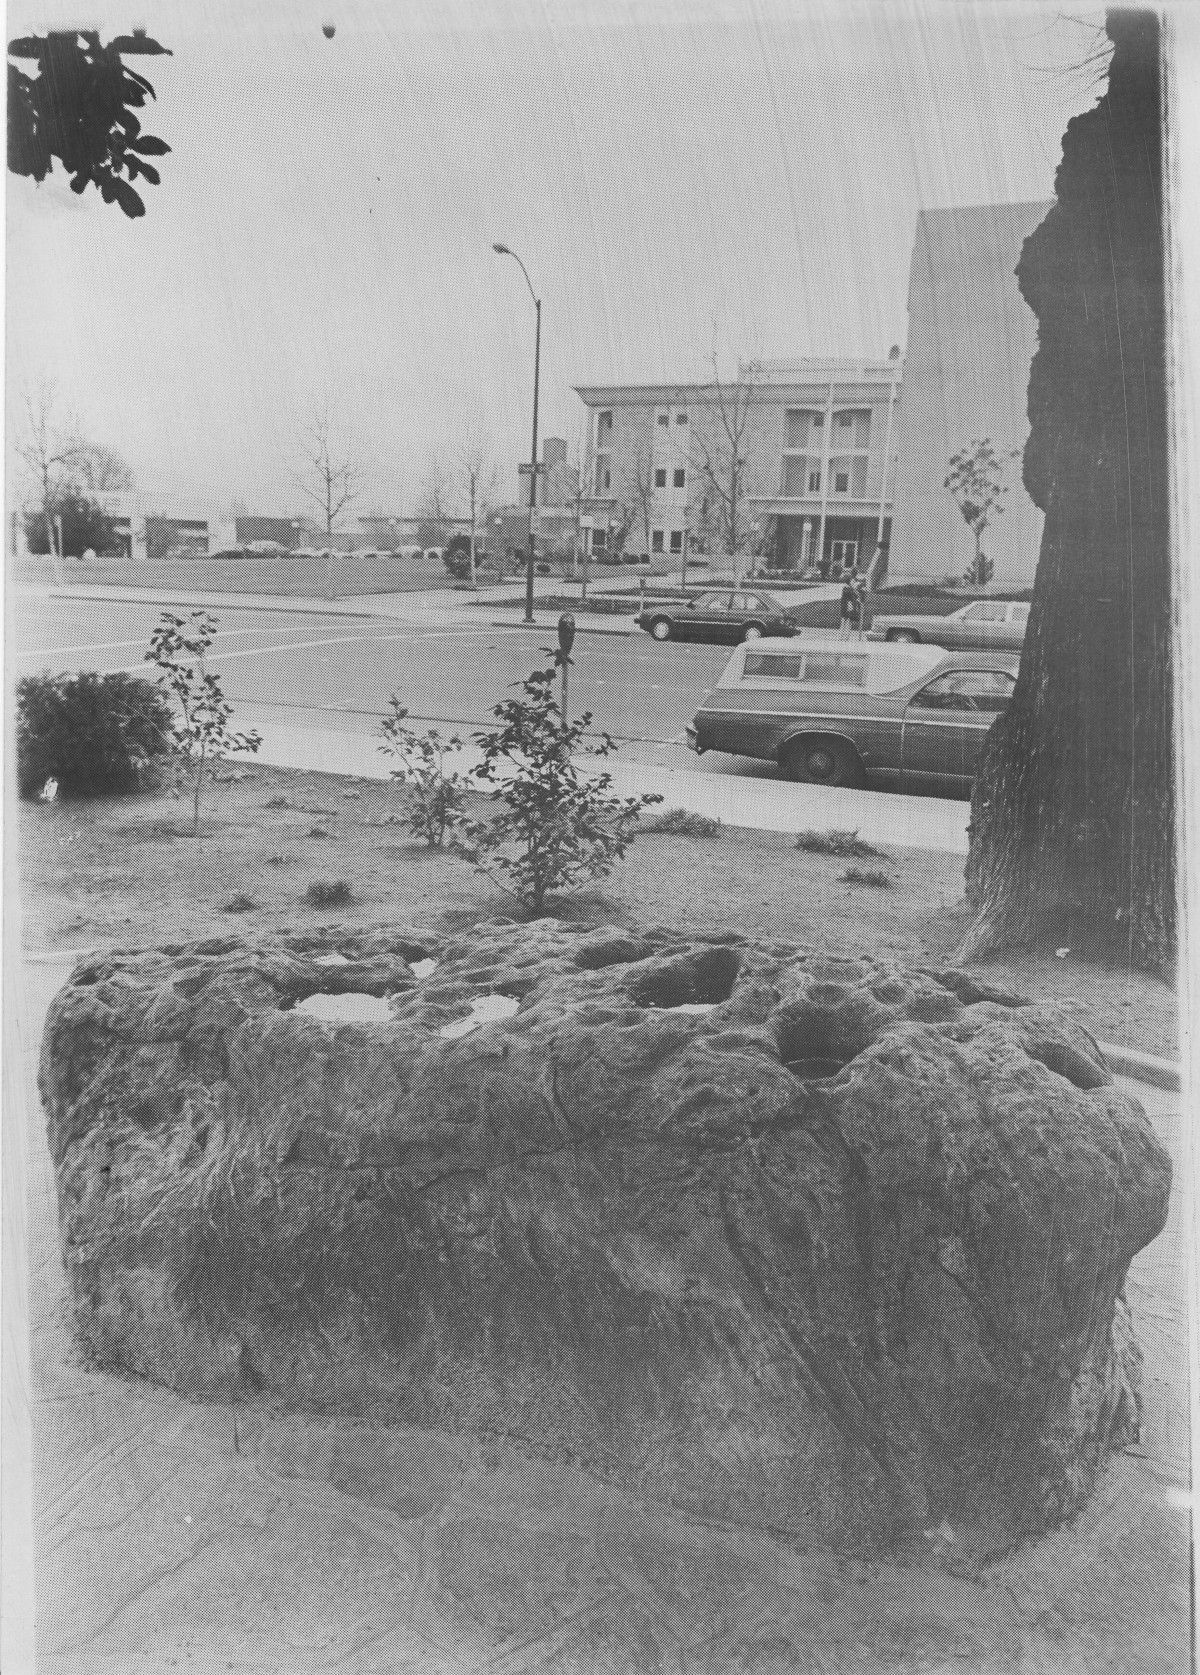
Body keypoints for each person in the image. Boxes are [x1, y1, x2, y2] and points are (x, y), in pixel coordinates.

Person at [840, 568, 862, 638]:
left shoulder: (847, 587)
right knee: (847, 620)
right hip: (849, 605)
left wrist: (854, 591)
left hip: (847, 605)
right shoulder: (847, 588)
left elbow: (855, 595)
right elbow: (854, 595)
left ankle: (844, 635)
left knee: (846, 620)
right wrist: (854, 591)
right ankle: (845, 635)